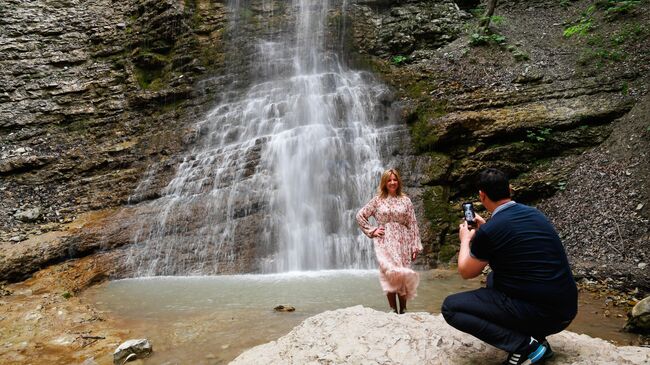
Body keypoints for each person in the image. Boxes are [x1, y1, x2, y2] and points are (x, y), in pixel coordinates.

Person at [441, 168, 577, 365]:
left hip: (543, 315)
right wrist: (488, 226)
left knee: (451, 307)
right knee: (492, 279)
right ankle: (535, 336)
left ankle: (528, 346)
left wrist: (465, 239)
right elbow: (514, 240)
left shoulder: (490, 231)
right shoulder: (535, 214)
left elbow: (466, 271)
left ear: (482, 195)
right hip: (565, 310)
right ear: (510, 190)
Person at [356, 168, 423, 314]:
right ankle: (393, 310)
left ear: (398, 181)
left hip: (402, 241)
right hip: (384, 242)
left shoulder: (406, 201)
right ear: (384, 183)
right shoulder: (377, 200)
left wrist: (415, 245)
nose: (392, 182)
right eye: (389, 180)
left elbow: (412, 223)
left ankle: (403, 310)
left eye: (395, 179)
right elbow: (360, 216)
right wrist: (373, 230)